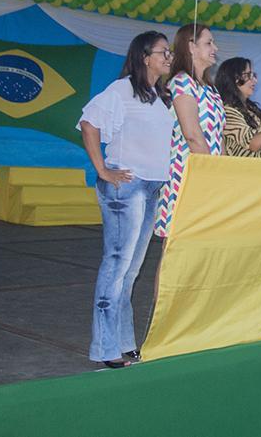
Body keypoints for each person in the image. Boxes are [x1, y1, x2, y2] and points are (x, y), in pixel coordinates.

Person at [79, 31, 174, 369]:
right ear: (145, 56)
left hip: (150, 188)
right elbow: (88, 124)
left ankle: (124, 342)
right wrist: (103, 169)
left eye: (169, 52)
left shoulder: (160, 96)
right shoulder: (121, 91)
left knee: (131, 271)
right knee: (117, 266)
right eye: (163, 51)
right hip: (126, 187)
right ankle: (105, 347)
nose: (168, 57)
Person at [155, 24, 223, 238]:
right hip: (187, 173)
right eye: (209, 43)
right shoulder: (183, 82)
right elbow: (192, 134)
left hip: (208, 172)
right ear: (191, 47)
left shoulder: (210, 88)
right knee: (176, 246)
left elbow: (217, 136)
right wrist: (212, 171)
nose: (216, 48)